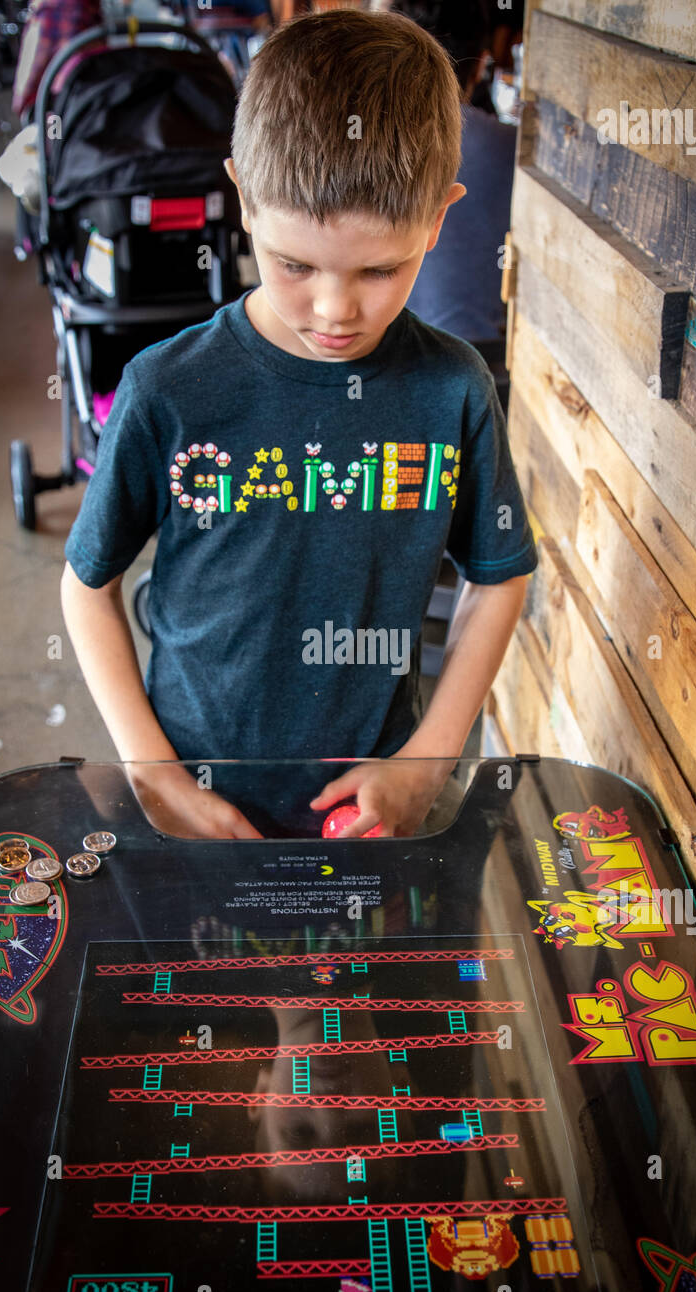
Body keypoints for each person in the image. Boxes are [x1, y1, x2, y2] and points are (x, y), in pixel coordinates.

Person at [60, 9, 537, 840]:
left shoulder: (452, 391)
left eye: (381, 269)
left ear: (439, 217)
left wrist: (427, 763)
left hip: (370, 812)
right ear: (243, 195)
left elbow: (499, 577)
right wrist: (155, 777)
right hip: (194, 797)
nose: (335, 309)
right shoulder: (170, 388)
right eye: (294, 264)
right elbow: (86, 587)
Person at [397, 0, 516, 357]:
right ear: (480, 64)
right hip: (490, 358)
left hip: (386, 355)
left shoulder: (363, 137)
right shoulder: (514, 149)